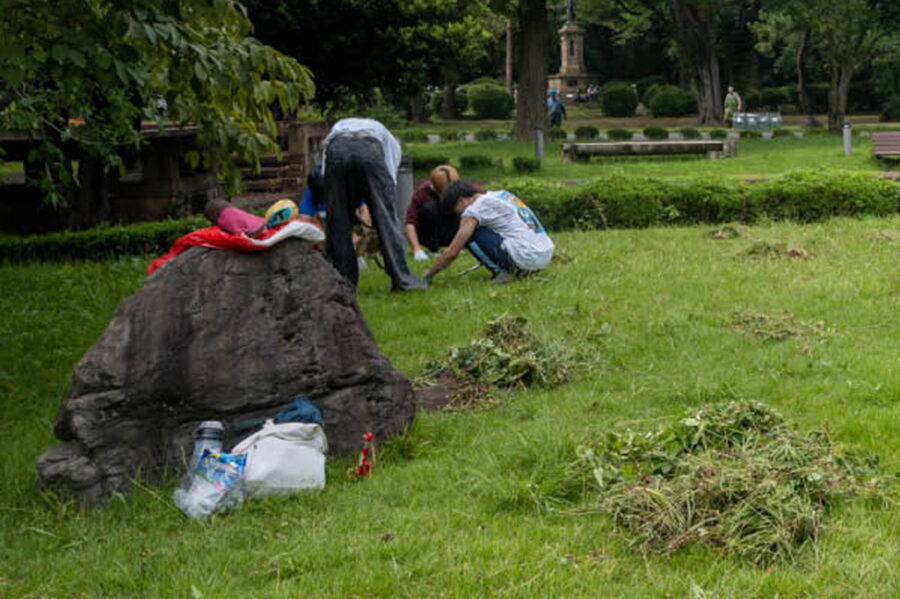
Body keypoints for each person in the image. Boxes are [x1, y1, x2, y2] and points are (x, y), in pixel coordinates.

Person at [322, 118, 425, 291]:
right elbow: (389, 178)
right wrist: (384, 208)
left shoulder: (339, 126)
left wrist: (338, 203)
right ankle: (403, 280)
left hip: (337, 149)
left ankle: (343, 281)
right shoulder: (391, 142)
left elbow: (326, 166)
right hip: (369, 149)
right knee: (387, 221)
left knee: (338, 222)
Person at [424, 181, 554, 285]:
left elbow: (452, 252)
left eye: (456, 211)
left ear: (461, 201)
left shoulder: (473, 211)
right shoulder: (503, 194)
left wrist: (428, 274)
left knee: (472, 235)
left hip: (526, 258)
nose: (459, 216)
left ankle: (502, 273)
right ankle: (520, 269)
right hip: (545, 255)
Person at [405, 165, 461, 261]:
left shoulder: (462, 189)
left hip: (452, 229)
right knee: (429, 208)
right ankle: (433, 249)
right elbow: (410, 223)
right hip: (431, 233)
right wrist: (416, 250)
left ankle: (459, 244)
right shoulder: (422, 193)